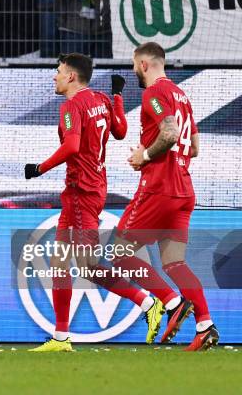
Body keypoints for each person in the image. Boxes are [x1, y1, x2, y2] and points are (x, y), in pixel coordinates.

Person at [24, 53, 164, 352]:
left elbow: (72, 145)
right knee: (60, 263)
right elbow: (120, 131)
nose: (55, 76)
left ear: (71, 76)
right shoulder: (100, 98)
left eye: (58, 71)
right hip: (92, 187)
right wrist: (116, 97)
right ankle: (61, 337)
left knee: (88, 265)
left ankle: (146, 300)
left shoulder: (71, 106)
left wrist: (39, 168)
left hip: (81, 192)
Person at [110, 42, 219, 351]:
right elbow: (193, 147)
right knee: (175, 264)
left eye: (134, 66)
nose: (134, 72)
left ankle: (171, 303)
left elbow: (169, 134)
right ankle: (205, 325)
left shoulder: (155, 93)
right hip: (184, 189)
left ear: (144, 64)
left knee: (119, 253)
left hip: (160, 187)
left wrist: (144, 154)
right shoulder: (182, 97)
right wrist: (149, 152)